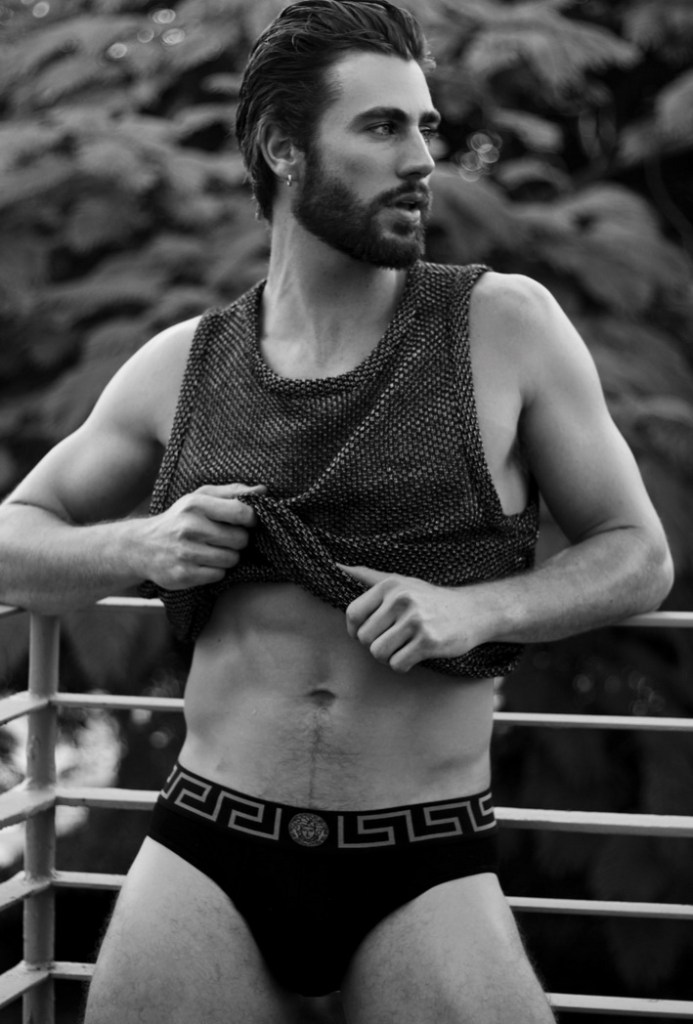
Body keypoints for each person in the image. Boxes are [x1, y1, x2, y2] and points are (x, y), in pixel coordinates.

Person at [0, 1, 673, 1021]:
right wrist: (144, 543)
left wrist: (480, 609)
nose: (422, 160)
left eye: (426, 127)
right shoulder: (182, 365)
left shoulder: (503, 326)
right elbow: (13, 538)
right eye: (382, 127)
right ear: (283, 148)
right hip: (208, 850)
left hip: (422, 860)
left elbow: (638, 554)